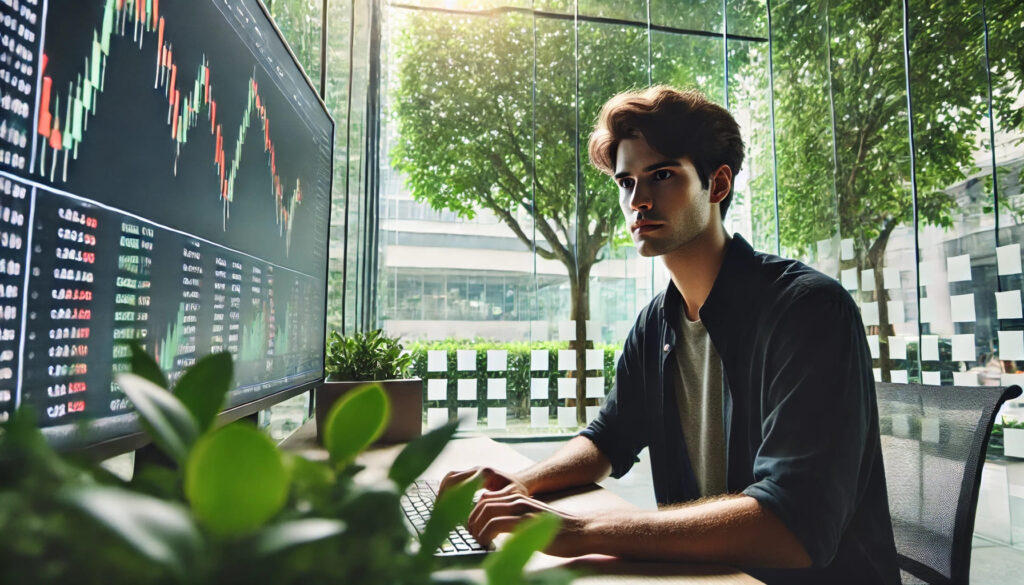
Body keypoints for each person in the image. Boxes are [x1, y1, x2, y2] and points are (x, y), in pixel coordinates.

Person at [440, 85, 900, 585]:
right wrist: (520, 484)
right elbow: (608, 439)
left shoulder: (809, 311)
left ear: (717, 184)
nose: (638, 200)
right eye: (625, 182)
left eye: (661, 175)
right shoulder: (656, 323)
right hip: (703, 575)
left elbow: (794, 523)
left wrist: (587, 529)